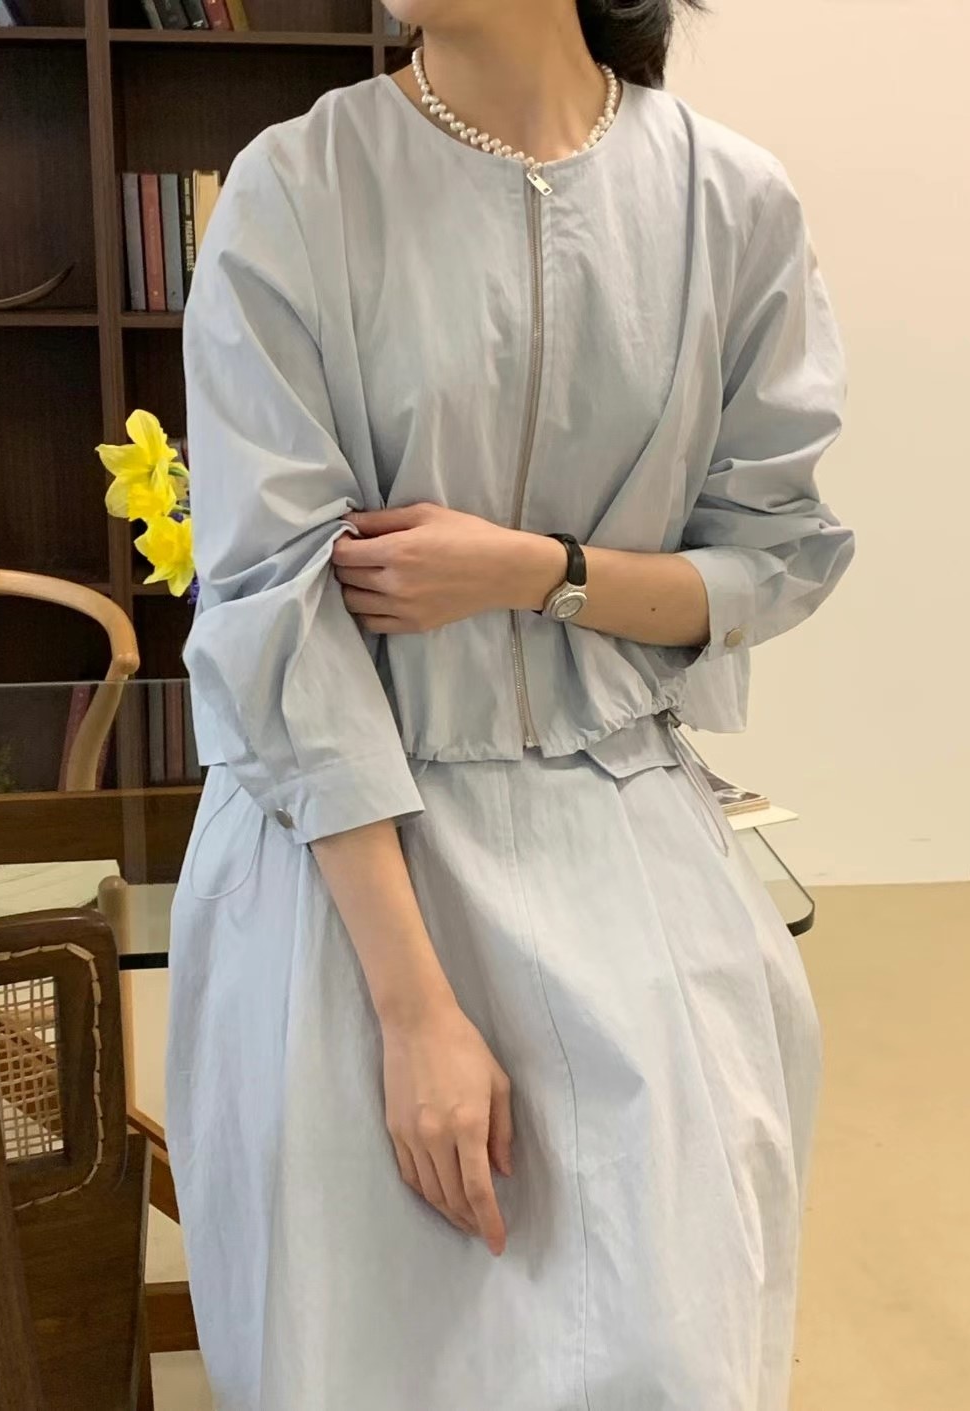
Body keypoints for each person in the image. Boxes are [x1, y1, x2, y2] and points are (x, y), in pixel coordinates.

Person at [165, 2, 855, 1408]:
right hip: (345, 876)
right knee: (361, 1361)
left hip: (626, 840)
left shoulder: (730, 203)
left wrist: (536, 571)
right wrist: (415, 1013)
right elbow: (271, 613)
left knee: (671, 1347)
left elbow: (773, 558)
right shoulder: (297, 189)